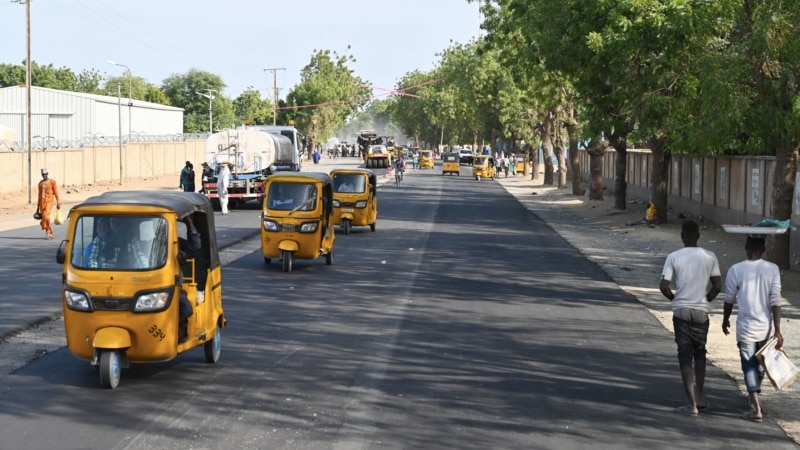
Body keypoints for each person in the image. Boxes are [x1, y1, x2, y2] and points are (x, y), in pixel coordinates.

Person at [660, 220, 722, 417]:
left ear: (681, 236)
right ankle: (701, 397)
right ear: (698, 236)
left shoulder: (674, 257)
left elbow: (664, 286)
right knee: (700, 353)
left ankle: (691, 404)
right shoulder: (710, 257)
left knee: (685, 355)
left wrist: (675, 298)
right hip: (701, 311)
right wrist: (706, 299)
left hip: (682, 311)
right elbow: (717, 285)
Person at [722, 235, 783, 422]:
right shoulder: (772, 269)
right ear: (764, 248)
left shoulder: (735, 270)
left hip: (745, 329)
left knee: (748, 366)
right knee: (761, 367)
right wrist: (777, 330)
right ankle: (753, 398)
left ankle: (755, 407)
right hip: (765, 328)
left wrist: (725, 319)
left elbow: (729, 299)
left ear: (746, 247)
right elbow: (776, 301)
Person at [36, 168, 61, 240]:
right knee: (44, 217)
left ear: (47, 174)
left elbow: (56, 192)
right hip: (42, 203)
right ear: (42, 175)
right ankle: (48, 233)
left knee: (46, 217)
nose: (44, 176)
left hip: (49, 202)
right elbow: (39, 195)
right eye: (43, 174)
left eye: (45, 174)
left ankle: (48, 230)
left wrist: (58, 202)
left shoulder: (52, 182)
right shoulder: (40, 183)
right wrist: (37, 208)